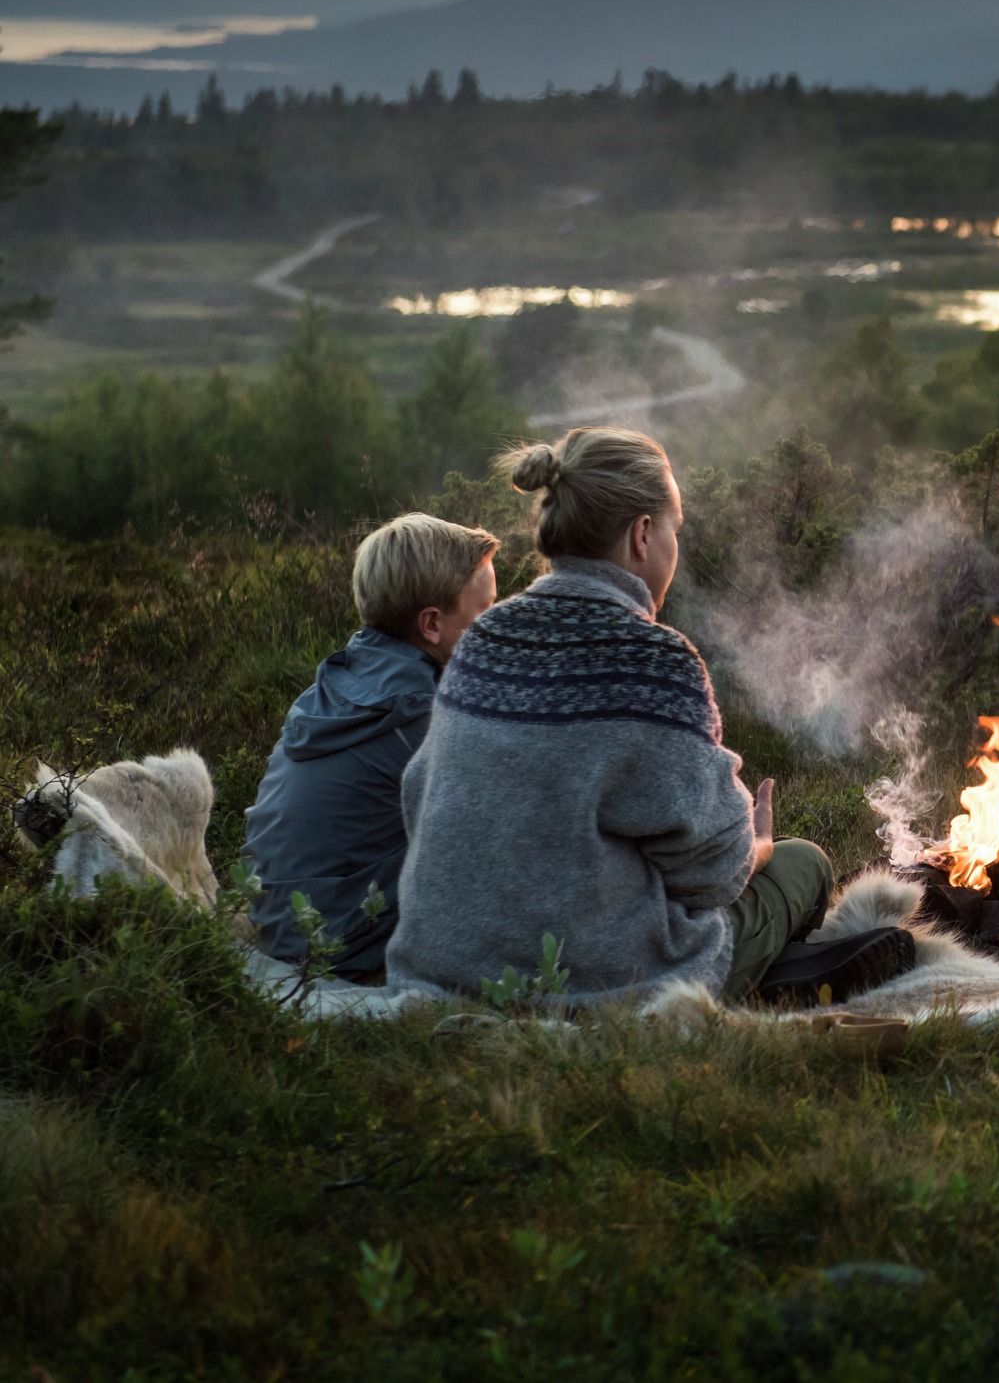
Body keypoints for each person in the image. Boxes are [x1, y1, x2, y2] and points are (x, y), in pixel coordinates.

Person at [386, 425, 914, 1007]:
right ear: (642, 535)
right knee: (804, 864)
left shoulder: (483, 637)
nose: (675, 547)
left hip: (442, 969)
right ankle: (775, 975)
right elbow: (714, 875)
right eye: (675, 530)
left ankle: (782, 968)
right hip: (588, 987)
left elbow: (420, 795)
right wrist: (756, 847)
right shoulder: (653, 661)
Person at [240, 512, 500, 980]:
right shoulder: (418, 719)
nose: (495, 631)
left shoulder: (338, 686)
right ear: (432, 625)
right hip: (343, 952)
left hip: (285, 927)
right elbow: (495, 839)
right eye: (484, 614)